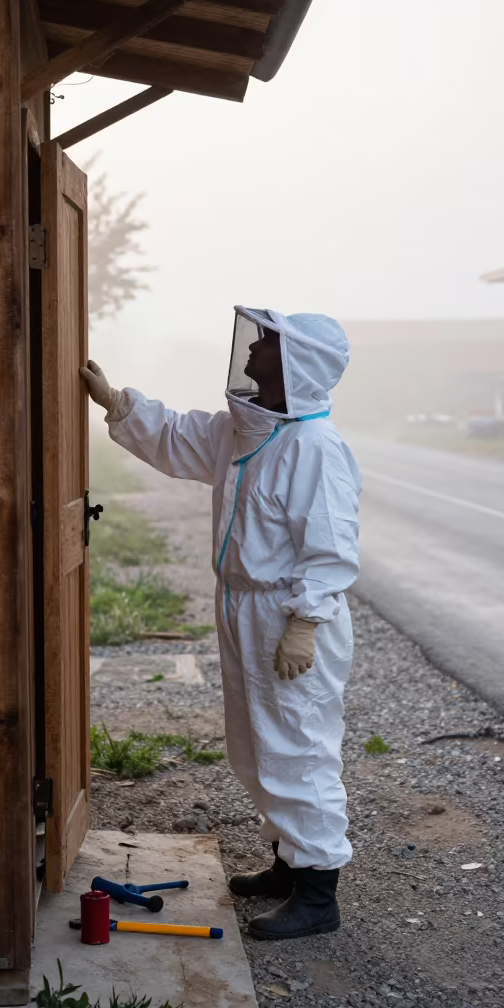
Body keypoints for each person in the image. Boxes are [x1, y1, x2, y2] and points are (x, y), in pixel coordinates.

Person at [80, 306, 361, 940]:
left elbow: (332, 544)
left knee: (298, 746)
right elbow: (179, 436)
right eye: (257, 344)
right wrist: (119, 403)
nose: (253, 355)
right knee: (255, 743)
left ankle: (319, 892)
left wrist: (305, 622)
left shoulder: (313, 447)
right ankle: (289, 862)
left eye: (268, 349)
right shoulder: (246, 431)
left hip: (287, 616)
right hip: (242, 606)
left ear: (297, 368)